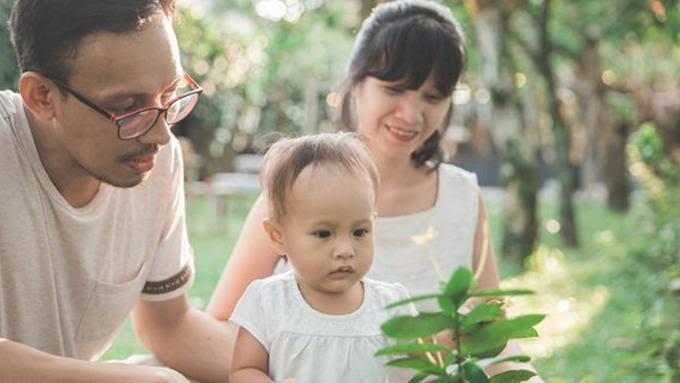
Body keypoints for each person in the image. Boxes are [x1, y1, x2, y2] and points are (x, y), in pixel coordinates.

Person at [209, 0, 542, 379]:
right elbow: (224, 326)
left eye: (433, 97)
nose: (411, 114)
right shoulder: (298, 187)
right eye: (395, 89)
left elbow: (493, 326)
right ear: (356, 82)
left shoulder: (462, 195)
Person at [0, 1, 233, 382]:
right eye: (128, 107)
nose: (161, 135)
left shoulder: (157, 161)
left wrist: (287, 371)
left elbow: (168, 325)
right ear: (42, 96)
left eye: (169, 96)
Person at [229, 133, 417, 383]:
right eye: (324, 233)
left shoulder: (392, 306)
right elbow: (243, 370)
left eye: (359, 231)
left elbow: (417, 372)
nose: (345, 250)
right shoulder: (269, 302)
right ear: (278, 237)